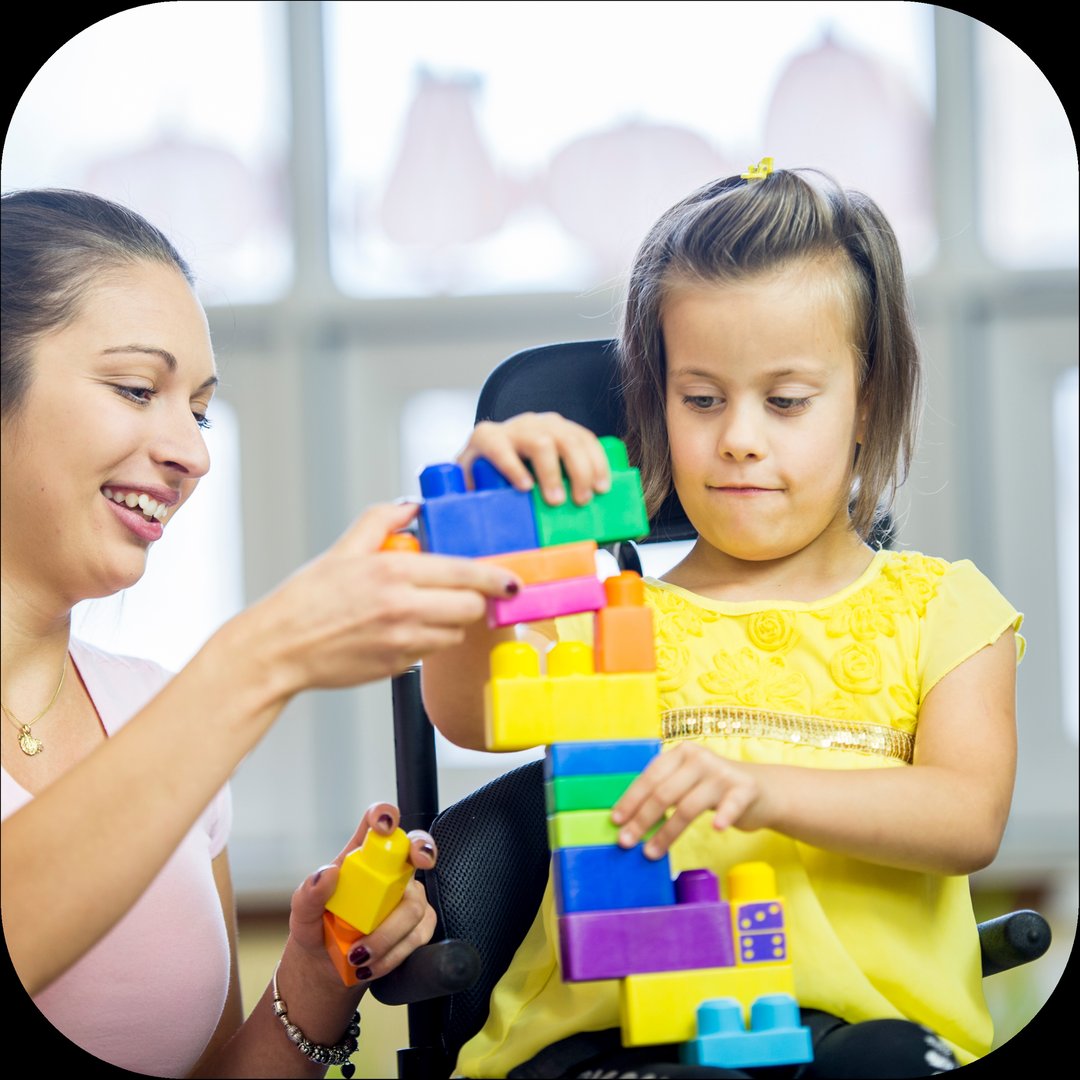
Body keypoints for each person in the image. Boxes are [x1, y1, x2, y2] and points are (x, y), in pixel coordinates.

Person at [421, 167, 1023, 1078]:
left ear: (867, 401)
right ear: (658, 405)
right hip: (616, 1045)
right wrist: (480, 543)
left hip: (867, 1036)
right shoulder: (608, 616)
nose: (739, 437)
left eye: (786, 402)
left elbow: (967, 817)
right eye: (702, 400)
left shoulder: (946, 609)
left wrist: (760, 787)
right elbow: (468, 713)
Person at [0, 188, 523, 1078]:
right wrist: (268, 652)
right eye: (137, 389)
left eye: (199, 410)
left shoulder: (156, 710)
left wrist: (315, 977)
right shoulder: (197, 720)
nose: (194, 453)